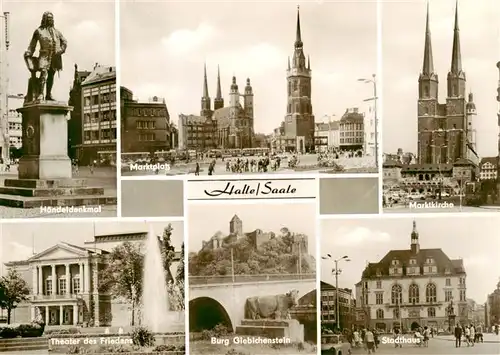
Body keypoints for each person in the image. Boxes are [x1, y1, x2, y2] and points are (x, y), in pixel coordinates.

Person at [24, 11, 67, 101]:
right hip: (44, 56)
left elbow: (64, 42)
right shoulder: (39, 31)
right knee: (43, 73)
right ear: (44, 19)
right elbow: (32, 45)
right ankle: (40, 94)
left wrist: (60, 50)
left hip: (55, 57)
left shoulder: (56, 32)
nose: (51, 20)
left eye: (52, 18)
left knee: (51, 75)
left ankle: (48, 94)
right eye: (49, 18)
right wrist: (28, 54)